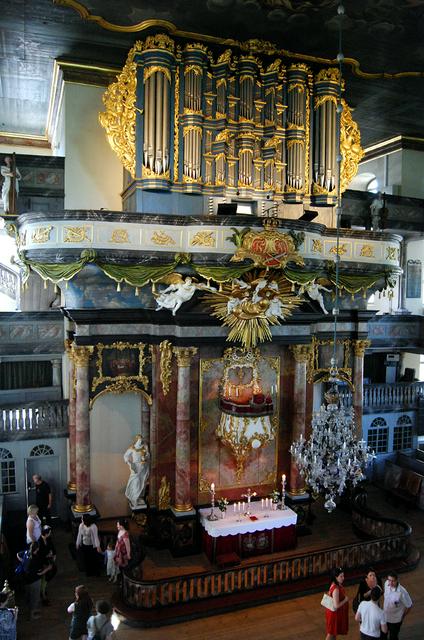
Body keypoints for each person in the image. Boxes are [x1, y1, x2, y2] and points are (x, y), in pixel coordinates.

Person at [18, 541, 52, 620]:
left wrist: (23, 562)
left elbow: (18, 554)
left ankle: (31, 610)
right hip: (34, 581)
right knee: (35, 597)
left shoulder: (26, 553)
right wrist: (48, 568)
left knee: (29, 596)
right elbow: (40, 573)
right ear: (37, 549)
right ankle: (32, 615)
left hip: (26, 579)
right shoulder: (36, 559)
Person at [383, 572, 412, 639]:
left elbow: (409, 605)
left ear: (397, 580)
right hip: (385, 617)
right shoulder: (386, 583)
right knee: (383, 636)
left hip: (395, 621)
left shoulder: (402, 592)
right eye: (389, 580)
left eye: (392, 581)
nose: (390, 583)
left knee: (393, 637)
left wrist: (402, 616)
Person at [123, 435, 150, 510]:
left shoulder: (144, 447)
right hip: (135, 467)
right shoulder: (132, 448)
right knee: (136, 481)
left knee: (142, 482)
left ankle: (138, 497)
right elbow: (125, 456)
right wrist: (129, 463)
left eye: (141, 440)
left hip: (143, 466)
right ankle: (134, 497)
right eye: (139, 440)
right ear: (136, 440)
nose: (140, 441)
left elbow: (148, 455)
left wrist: (145, 457)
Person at [325, 567, 349, 640]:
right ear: (336, 577)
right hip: (334, 615)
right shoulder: (336, 589)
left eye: (343, 576)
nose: (343, 578)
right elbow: (336, 605)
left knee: (333, 633)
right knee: (331, 634)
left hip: (334, 613)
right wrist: (345, 600)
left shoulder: (335, 583)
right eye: (341, 576)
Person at [38, 525, 57, 605]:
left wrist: (52, 554)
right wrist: (47, 555)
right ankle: (43, 594)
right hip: (42, 562)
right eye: (49, 532)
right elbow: (40, 554)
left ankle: (43, 589)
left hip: (48, 560)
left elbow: (52, 548)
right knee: (44, 577)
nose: (50, 533)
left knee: (52, 572)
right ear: (46, 533)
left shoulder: (48, 539)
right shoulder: (39, 541)